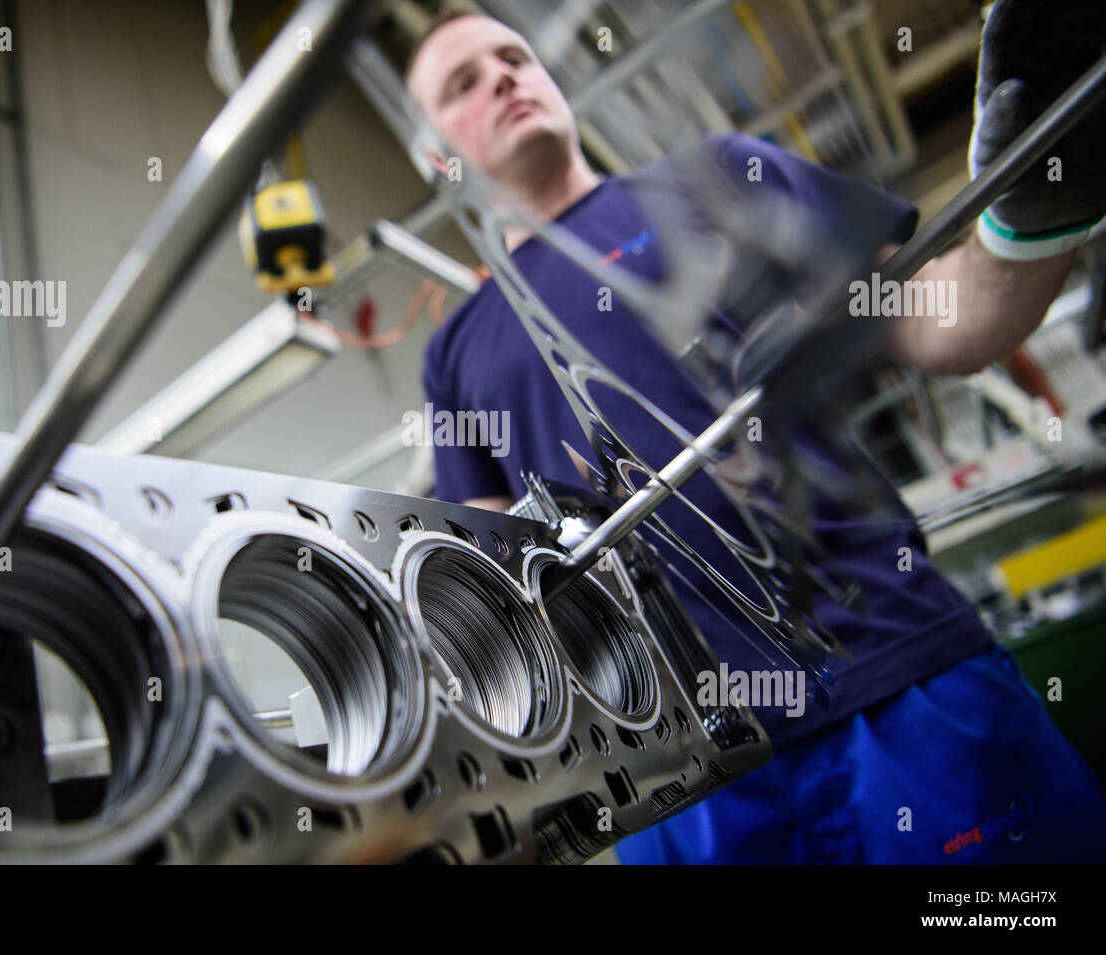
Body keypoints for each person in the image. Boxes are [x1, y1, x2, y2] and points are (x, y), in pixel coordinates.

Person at [405, 3, 1106, 863]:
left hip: (895, 677)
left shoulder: (717, 178)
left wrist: (1026, 218)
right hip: (673, 774)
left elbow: (935, 320)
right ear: (435, 154)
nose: (504, 77)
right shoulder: (456, 353)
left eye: (514, 56)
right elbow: (487, 592)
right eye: (463, 84)